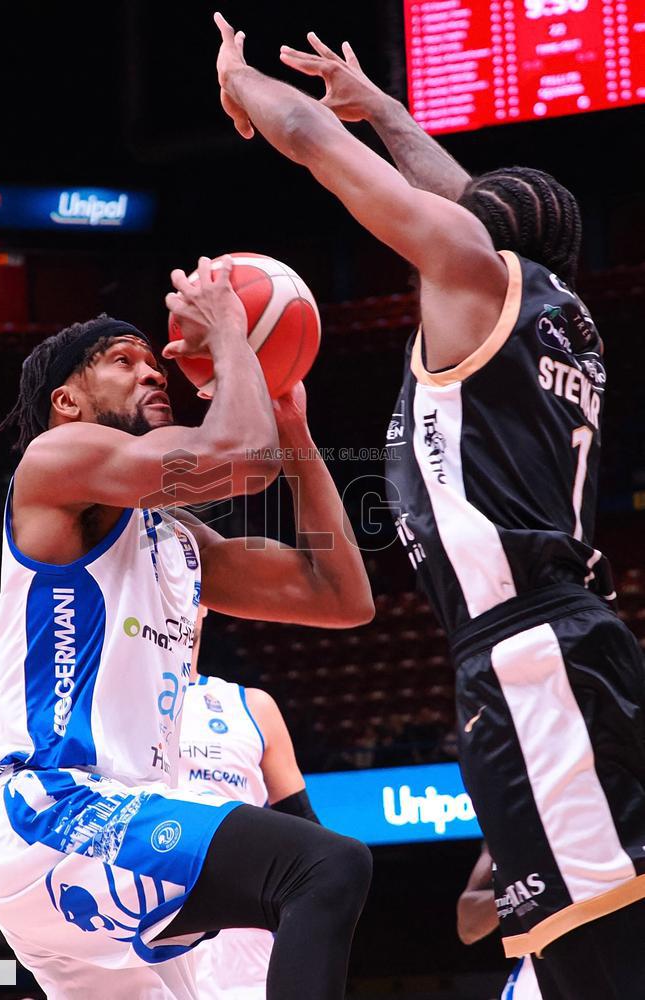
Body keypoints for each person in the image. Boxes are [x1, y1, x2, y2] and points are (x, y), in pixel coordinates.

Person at [214, 14, 645, 998]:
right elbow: (463, 197)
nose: (434, 207)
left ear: (478, 231)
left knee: (593, 950)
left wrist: (243, 82)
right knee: (578, 930)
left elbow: (322, 152)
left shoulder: (472, 273)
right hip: (553, 643)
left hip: (530, 655)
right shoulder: (550, 309)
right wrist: (386, 109)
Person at [0, 255, 374, 1000]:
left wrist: (293, 426)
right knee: (324, 866)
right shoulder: (54, 462)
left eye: (154, 361)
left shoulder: (178, 539)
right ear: (66, 401)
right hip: (56, 811)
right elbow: (238, 460)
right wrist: (230, 334)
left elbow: (338, 595)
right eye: (123, 363)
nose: (153, 372)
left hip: (115, 840)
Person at [177, 605, 320, 999]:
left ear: (203, 604)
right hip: (152, 948)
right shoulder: (113, 705)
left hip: (248, 965)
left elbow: (307, 833)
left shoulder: (252, 706)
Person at [458, 844, 541, 1000]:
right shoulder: (508, 828)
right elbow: (468, 926)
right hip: (536, 965)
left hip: (591, 948)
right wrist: (521, 890)